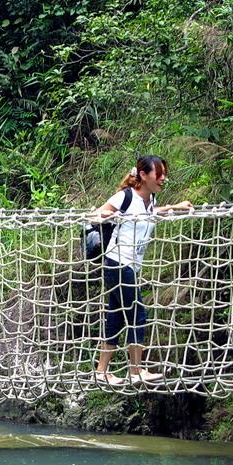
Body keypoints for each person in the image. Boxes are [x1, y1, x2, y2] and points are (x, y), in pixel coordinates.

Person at [92, 155, 192, 385]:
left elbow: (154, 213)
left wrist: (176, 207)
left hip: (129, 266)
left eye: (164, 173)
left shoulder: (150, 200)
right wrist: (111, 215)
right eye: (159, 173)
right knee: (138, 313)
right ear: (144, 175)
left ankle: (101, 372)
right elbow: (94, 215)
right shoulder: (125, 197)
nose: (163, 178)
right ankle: (136, 370)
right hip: (118, 263)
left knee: (116, 317)